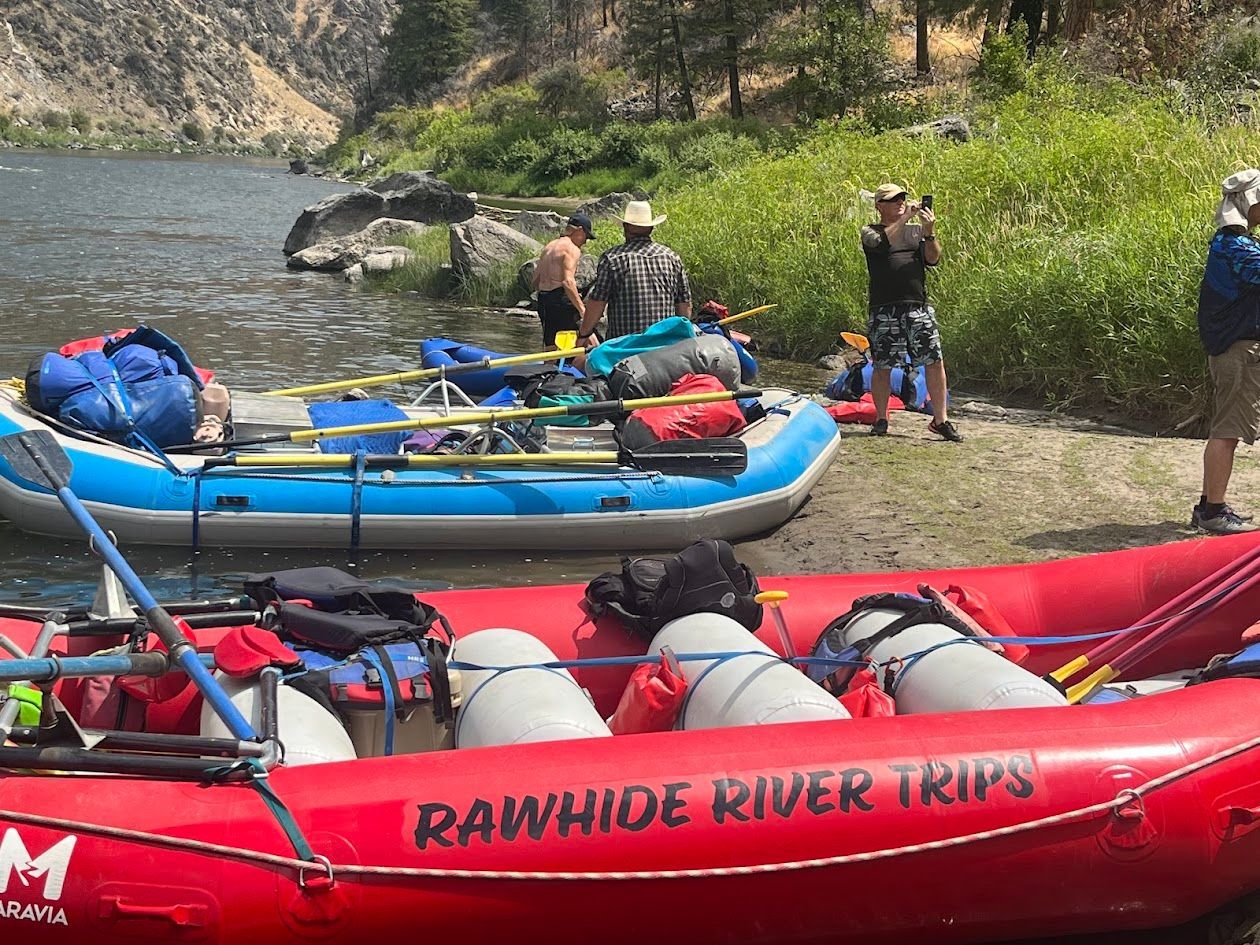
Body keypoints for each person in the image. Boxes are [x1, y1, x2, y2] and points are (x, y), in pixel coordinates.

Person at [859, 183, 962, 442]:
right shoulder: (870, 231)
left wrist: (929, 232)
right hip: (884, 309)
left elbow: (933, 259)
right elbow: (880, 245)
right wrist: (905, 217)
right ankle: (881, 418)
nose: (900, 202)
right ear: (879, 206)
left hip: (917, 307)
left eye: (902, 198)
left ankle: (941, 420)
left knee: (934, 361)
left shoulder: (915, 231)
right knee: (882, 364)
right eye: (893, 200)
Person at [1192, 168, 1260, 535]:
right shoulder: (1238, 248)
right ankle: (1214, 511)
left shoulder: (1231, 243)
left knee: (1226, 427)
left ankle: (1208, 505)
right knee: (1228, 430)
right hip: (1238, 349)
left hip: (1233, 347)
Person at [578, 200, 691, 345]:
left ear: (625, 227)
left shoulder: (612, 259)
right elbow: (684, 305)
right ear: (651, 228)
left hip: (624, 347)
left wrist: (584, 334)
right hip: (664, 345)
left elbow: (597, 303)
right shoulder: (672, 258)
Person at [532, 213, 596, 348]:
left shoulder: (549, 247)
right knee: (588, 338)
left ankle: (550, 362)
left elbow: (536, 280)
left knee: (551, 344)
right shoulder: (572, 248)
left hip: (544, 300)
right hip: (561, 299)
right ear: (579, 230)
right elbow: (568, 282)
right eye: (586, 236)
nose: (585, 241)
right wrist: (582, 310)